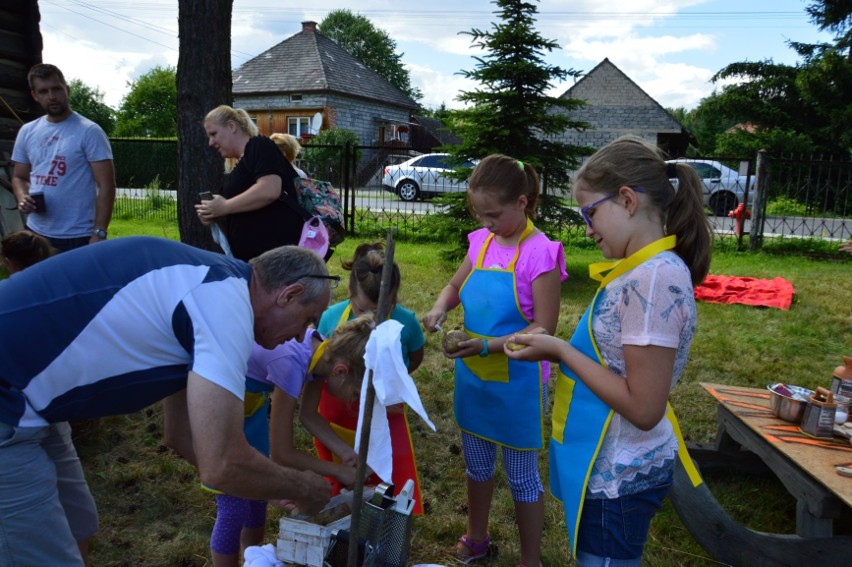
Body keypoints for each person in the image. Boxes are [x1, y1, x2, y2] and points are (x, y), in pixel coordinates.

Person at [0, 236, 336, 566]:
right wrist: (304, 486)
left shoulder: (213, 286)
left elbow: (179, 436)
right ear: (290, 295)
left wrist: (265, 486)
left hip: (36, 405)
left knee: (79, 525)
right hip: (10, 401)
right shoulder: (224, 303)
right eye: (307, 320)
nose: (298, 336)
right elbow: (223, 464)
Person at [504, 135, 712, 567]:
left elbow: (643, 407)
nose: (587, 228)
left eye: (590, 212)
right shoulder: (643, 272)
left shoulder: (652, 281)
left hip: (621, 477)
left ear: (627, 200)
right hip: (612, 466)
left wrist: (561, 351)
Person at [422, 155, 566, 567]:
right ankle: (477, 537)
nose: (486, 223)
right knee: (478, 466)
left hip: (519, 383)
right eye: (480, 214)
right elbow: (455, 283)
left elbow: (544, 329)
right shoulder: (480, 242)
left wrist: (487, 347)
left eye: (494, 214)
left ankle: (530, 560)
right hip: (475, 379)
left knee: (522, 477)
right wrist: (439, 307)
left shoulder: (541, 254)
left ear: (522, 202)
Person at [208, 312, 374, 566]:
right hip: (220, 408)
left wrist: (346, 453)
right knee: (234, 506)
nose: (351, 400)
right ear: (341, 371)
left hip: (248, 411)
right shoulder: (290, 364)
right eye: (354, 393)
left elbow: (309, 416)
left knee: (256, 498)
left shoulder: (323, 354)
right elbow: (282, 454)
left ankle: (253, 559)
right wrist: (339, 472)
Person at [305, 241, 426, 514]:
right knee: (339, 485)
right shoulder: (330, 318)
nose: (371, 319)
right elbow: (320, 365)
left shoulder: (407, 323)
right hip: (335, 417)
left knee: (386, 482)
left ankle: (384, 527)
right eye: (362, 310)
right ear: (349, 293)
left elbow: (415, 358)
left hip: (386, 413)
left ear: (393, 297)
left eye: (381, 311)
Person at [11, 63, 116, 253]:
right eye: (43, 91)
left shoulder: (89, 131)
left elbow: (106, 185)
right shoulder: (28, 131)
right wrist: (22, 197)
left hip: (78, 236)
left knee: (77, 284)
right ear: (35, 95)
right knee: (39, 283)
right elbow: (19, 176)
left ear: (67, 90)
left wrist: (99, 232)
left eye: (56, 89)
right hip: (36, 231)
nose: (51, 96)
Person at [195, 105, 304, 262]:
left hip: (277, 262)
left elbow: (270, 189)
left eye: (213, 134)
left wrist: (225, 206)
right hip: (255, 263)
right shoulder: (240, 165)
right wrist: (214, 214)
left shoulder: (259, 145)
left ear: (231, 126)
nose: (210, 142)